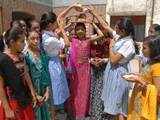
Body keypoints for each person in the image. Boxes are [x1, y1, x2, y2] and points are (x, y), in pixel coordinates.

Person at [101, 18, 137, 120]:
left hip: (119, 75)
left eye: (117, 27)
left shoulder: (128, 44)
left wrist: (110, 46)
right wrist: (92, 12)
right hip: (113, 73)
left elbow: (113, 60)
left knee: (119, 105)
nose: (114, 28)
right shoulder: (121, 37)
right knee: (115, 103)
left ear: (123, 30)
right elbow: (105, 26)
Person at [0, 27, 35, 120]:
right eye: (22, 41)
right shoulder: (3, 60)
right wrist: (7, 109)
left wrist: (33, 93)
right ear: (12, 42)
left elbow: (26, 75)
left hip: (24, 98)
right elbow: (0, 87)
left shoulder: (21, 56)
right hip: (12, 102)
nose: (24, 44)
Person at [40, 11, 70, 119]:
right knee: (54, 92)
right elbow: (67, 43)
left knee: (55, 92)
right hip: (53, 65)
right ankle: (53, 116)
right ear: (49, 24)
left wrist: (71, 7)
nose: (57, 24)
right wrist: (62, 30)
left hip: (53, 62)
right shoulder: (49, 39)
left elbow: (60, 17)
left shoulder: (45, 34)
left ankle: (54, 114)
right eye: (55, 22)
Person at [126, 35, 160, 120]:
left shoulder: (157, 66)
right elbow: (146, 78)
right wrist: (136, 76)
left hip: (146, 105)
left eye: (144, 48)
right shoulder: (149, 62)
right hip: (139, 100)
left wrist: (139, 81)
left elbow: (157, 91)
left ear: (153, 49)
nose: (141, 50)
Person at [24, 31, 51, 120]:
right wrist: (34, 94)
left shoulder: (42, 53)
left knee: (45, 113)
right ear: (27, 40)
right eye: (32, 39)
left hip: (43, 89)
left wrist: (47, 90)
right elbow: (25, 77)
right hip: (32, 89)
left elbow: (46, 73)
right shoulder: (25, 56)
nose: (36, 41)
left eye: (37, 38)